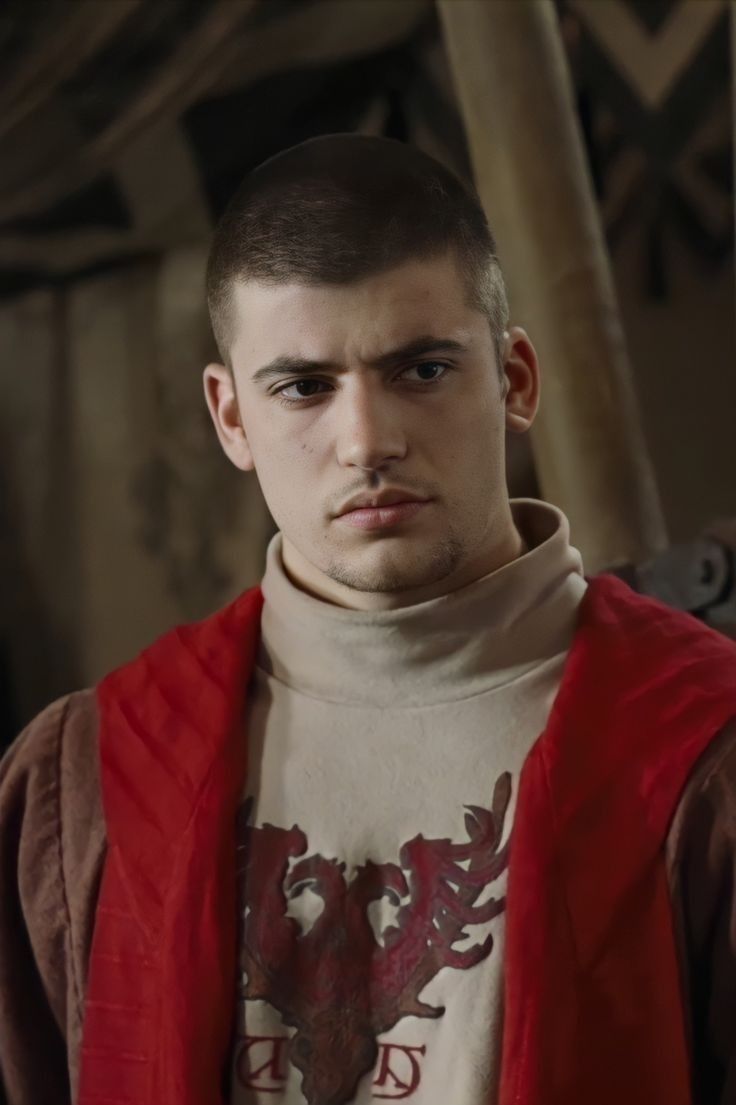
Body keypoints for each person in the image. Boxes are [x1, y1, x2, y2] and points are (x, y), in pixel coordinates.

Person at [1, 134, 736, 1105]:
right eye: (304, 385)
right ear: (230, 418)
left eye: (421, 370)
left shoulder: (703, 752)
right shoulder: (84, 780)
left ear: (513, 379)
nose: (365, 441)